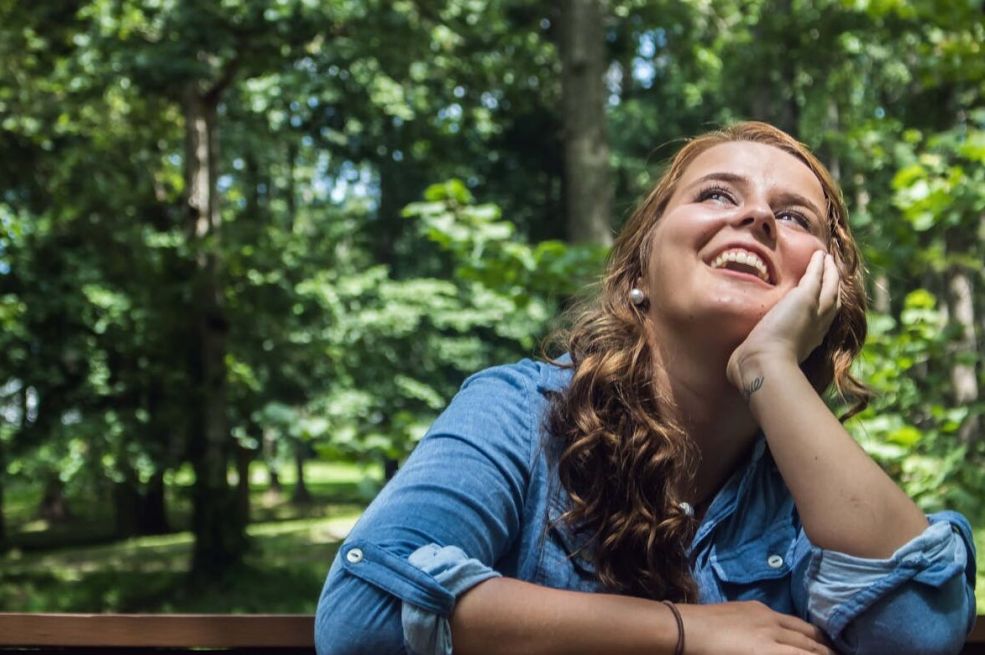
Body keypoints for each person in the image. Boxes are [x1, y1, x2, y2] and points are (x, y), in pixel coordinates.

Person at [314, 122, 977, 655]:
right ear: (641, 265)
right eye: (717, 194)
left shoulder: (816, 492)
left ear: (824, 291)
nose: (754, 218)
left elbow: (915, 633)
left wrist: (768, 365)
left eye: (795, 216)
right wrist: (683, 631)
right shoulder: (517, 411)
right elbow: (363, 614)